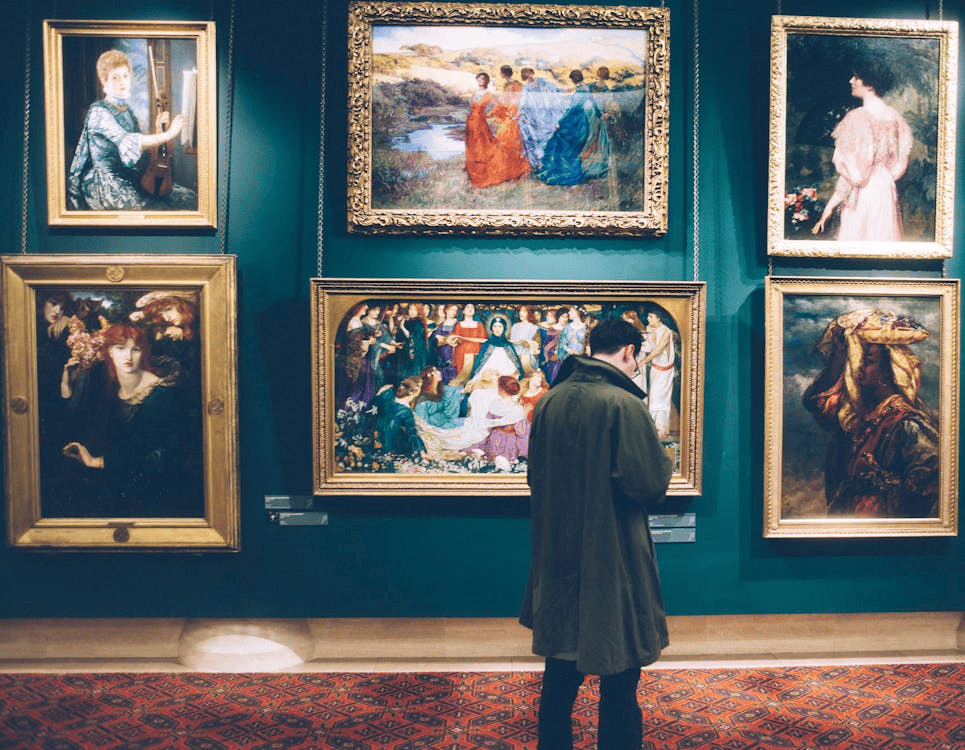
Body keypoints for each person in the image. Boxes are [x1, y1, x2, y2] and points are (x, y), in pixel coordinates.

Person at [520, 317, 673, 750]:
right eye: (637, 356)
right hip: (613, 554)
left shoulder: (550, 401)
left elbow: (535, 476)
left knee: (559, 673)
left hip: (557, 550)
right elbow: (646, 484)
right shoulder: (623, 404)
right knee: (620, 677)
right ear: (628, 351)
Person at [802, 309, 939, 518]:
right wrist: (840, 354)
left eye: (867, 361)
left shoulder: (907, 424)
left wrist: (879, 484)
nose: (858, 369)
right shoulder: (860, 419)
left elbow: (932, 482)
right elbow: (816, 403)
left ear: (889, 370)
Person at [60, 323, 202, 517]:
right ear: (108, 352)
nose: (128, 357)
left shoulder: (160, 394)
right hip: (115, 483)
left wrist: (99, 462)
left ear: (143, 352)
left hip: (151, 492)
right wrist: (66, 383)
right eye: (120, 348)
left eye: (135, 349)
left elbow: (158, 453)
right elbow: (76, 418)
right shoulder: (109, 387)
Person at [67, 49, 197, 211]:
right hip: (107, 183)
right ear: (103, 80)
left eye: (125, 76)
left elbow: (141, 153)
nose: (122, 81)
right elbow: (130, 141)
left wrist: (158, 129)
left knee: (188, 197)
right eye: (115, 77)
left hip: (129, 176)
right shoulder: (98, 112)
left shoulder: (127, 111)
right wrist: (168, 134)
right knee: (154, 208)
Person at [811, 59, 912, 242]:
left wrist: (830, 206)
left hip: (864, 194)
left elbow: (855, 175)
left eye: (856, 76)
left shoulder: (857, 118)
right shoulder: (894, 117)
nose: (851, 80)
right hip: (885, 188)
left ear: (870, 84)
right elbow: (900, 159)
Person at [537, 70, 611, 186]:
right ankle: (569, 170)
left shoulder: (580, 92)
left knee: (564, 144)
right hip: (581, 122)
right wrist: (600, 114)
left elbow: (571, 110)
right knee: (571, 148)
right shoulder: (586, 88)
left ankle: (568, 173)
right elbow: (594, 104)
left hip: (575, 124)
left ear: (573, 79)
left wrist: (559, 122)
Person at [464, 71, 530, 188]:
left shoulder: (489, 95)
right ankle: (474, 170)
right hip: (471, 122)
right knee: (472, 146)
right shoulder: (474, 93)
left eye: (483, 79)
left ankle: (485, 172)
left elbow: (499, 106)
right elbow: (472, 108)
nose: (481, 80)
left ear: (487, 81)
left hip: (480, 123)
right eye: (479, 78)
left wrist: (501, 115)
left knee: (482, 146)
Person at [517, 67, 567, 171]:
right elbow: (522, 101)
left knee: (549, 132)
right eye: (527, 75)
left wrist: (562, 91)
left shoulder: (541, 80)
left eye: (530, 74)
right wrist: (520, 112)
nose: (529, 77)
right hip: (534, 113)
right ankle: (541, 162)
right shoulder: (526, 87)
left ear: (532, 73)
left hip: (545, 110)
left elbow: (553, 88)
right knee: (537, 136)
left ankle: (550, 160)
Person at [639, 309, 675, 439]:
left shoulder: (666, 331)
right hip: (655, 369)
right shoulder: (651, 329)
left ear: (658, 318)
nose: (648, 319)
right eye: (648, 316)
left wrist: (643, 361)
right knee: (654, 397)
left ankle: (661, 430)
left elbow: (658, 350)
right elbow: (649, 348)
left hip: (665, 371)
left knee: (660, 399)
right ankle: (654, 429)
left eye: (651, 316)